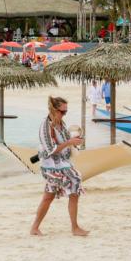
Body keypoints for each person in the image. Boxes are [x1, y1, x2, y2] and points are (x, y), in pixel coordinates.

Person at [30, 96, 88, 237]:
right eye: (62, 112)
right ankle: (75, 228)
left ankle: (34, 228)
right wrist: (69, 143)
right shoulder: (45, 126)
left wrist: (74, 142)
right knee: (75, 182)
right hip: (51, 166)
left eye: (66, 112)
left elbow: (66, 142)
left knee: (48, 197)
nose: (64, 114)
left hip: (62, 164)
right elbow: (51, 150)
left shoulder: (61, 124)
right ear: (54, 109)